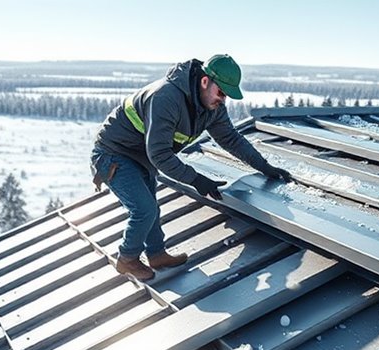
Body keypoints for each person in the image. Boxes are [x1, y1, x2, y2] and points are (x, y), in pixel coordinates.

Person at [91, 54, 292, 281]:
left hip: (140, 156)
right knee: (144, 209)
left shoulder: (211, 107)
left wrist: (265, 167)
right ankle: (127, 258)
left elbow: (232, 140)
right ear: (205, 81)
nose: (223, 100)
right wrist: (197, 180)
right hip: (114, 154)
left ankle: (156, 254)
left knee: (151, 208)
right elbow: (159, 154)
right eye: (221, 92)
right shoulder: (166, 98)